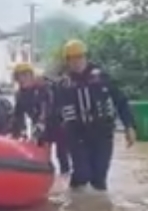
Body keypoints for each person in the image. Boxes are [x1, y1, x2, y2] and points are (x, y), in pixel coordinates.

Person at [55, 39, 136, 191]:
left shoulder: (103, 78)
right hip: (77, 134)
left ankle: (99, 209)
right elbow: (54, 115)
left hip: (102, 133)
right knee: (82, 173)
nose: (76, 62)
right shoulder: (62, 85)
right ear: (67, 61)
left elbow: (121, 101)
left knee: (99, 179)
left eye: (79, 57)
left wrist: (129, 126)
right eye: (72, 58)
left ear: (86, 57)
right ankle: (75, 199)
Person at [11, 62, 49, 143]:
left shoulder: (43, 88)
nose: (22, 79)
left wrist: (40, 124)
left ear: (31, 76)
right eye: (18, 77)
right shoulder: (20, 95)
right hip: (37, 125)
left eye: (25, 76)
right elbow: (18, 116)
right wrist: (19, 132)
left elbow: (45, 109)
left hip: (53, 125)